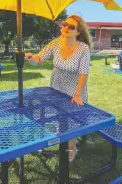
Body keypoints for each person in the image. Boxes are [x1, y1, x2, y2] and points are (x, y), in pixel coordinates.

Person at [24, 14, 92, 162]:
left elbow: (83, 74)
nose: (66, 28)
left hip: (75, 91)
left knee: (71, 123)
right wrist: (31, 58)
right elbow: (39, 58)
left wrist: (78, 95)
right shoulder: (55, 43)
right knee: (54, 117)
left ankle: (70, 150)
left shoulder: (83, 49)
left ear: (78, 32)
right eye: (65, 24)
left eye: (71, 27)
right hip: (56, 88)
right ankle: (51, 141)